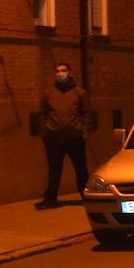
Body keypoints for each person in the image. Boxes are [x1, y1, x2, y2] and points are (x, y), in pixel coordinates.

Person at [35, 62, 96, 209]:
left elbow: (87, 113)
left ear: (69, 73)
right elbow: (42, 113)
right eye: (57, 71)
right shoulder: (49, 93)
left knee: (81, 169)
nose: (60, 73)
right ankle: (50, 199)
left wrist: (84, 132)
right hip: (54, 138)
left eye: (63, 70)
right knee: (54, 169)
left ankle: (85, 196)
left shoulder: (79, 93)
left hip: (75, 137)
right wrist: (45, 133)